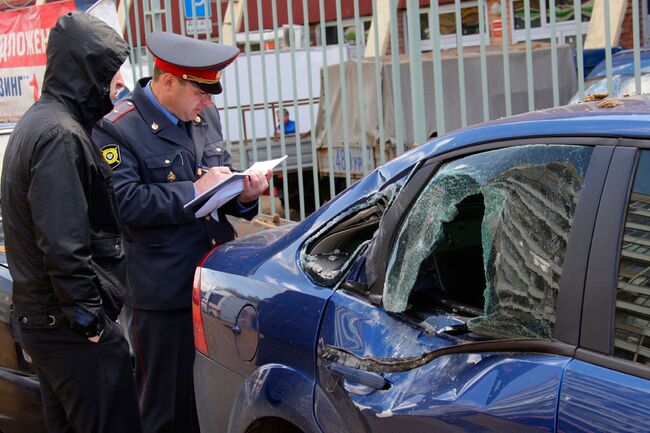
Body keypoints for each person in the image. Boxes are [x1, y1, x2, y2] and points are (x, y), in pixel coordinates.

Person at [92, 31, 269, 433]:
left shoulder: (203, 116)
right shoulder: (119, 128)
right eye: (200, 92)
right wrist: (194, 190)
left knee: (216, 401)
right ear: (168, 80)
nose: (209, 103)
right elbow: (125, 203)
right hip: (164, 291)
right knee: (168, 410)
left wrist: (244, 193)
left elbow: (216, 178)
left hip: (213, 286)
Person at [1, 12, 142, 433]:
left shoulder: (39, 123)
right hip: (70, 332)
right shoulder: (60, 135)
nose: (119, 83)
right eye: (110, 72)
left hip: (48, 326)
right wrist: (90, 322)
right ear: (85, 71)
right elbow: (63, 243)